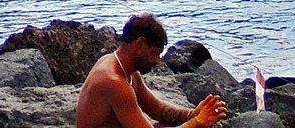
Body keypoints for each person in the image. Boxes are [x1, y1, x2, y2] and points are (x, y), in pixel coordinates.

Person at [76, 16, 226, 128]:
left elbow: (156, 108)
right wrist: (198, 122)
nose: (158, 61)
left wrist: (192, 114)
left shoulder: (129, 73)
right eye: (156, 53)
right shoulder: (113, 81)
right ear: (140, 44)